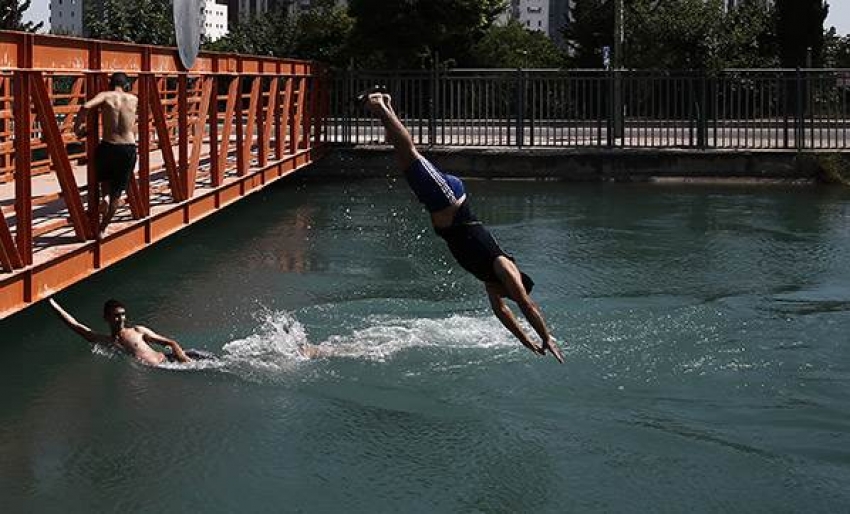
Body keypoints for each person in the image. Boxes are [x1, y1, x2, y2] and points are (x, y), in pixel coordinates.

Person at [362, 90, 564, 363]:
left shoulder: (491, 281)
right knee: (409, 156)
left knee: (404, 157)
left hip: (440, 207)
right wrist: (546, 336)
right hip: (449, 198)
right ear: (513, 283)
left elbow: (502, 313)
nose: (501, 297)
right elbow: (525, 305)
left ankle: (385, 107)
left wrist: (525, 341)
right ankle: (379, 105)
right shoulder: (503, 267)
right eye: (507, 293)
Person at [74, 72, 139, 239]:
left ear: (111, 83)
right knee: (119, 190)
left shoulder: (105, 96)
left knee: (104, 179)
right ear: (126, 85)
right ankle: (102, 228)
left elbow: (86, 107)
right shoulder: (133, 99)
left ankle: (105, 196)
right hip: (128, 147)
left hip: (108, 146)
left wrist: (78, 128)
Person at [49, 298, 195, 366]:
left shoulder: (138, 330)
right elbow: (75, 325)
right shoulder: (104, 341)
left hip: (171, 360)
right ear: (107, 318)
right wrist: (52, 303)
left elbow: (170, 342)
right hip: (163, 368)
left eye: (123, 314)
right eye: (116, 315)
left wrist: (183, 359)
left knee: (215, 363)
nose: (121, 318)